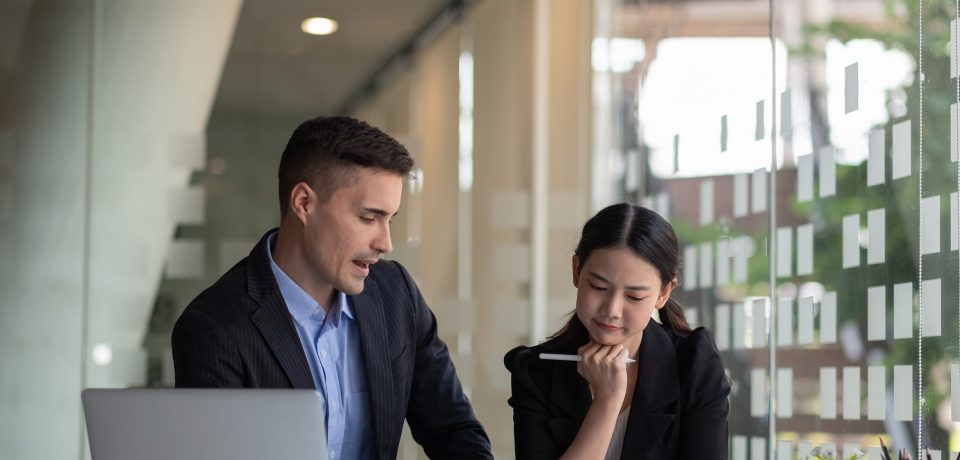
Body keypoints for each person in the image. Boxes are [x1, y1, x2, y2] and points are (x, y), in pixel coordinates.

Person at [172, 116, 492, 460]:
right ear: (304, 203)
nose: (386, 243)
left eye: (390, 220)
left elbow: (454, 431)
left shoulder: (396, 294)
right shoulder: (214, 328)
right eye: (368, 218)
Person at [504, 203, 730, 460]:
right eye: (599, 287)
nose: (612, 309)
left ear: (664, 293)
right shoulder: (536, 371)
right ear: (576, 270)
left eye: (634, 296)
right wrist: (606, 400)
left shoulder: (693, 365)